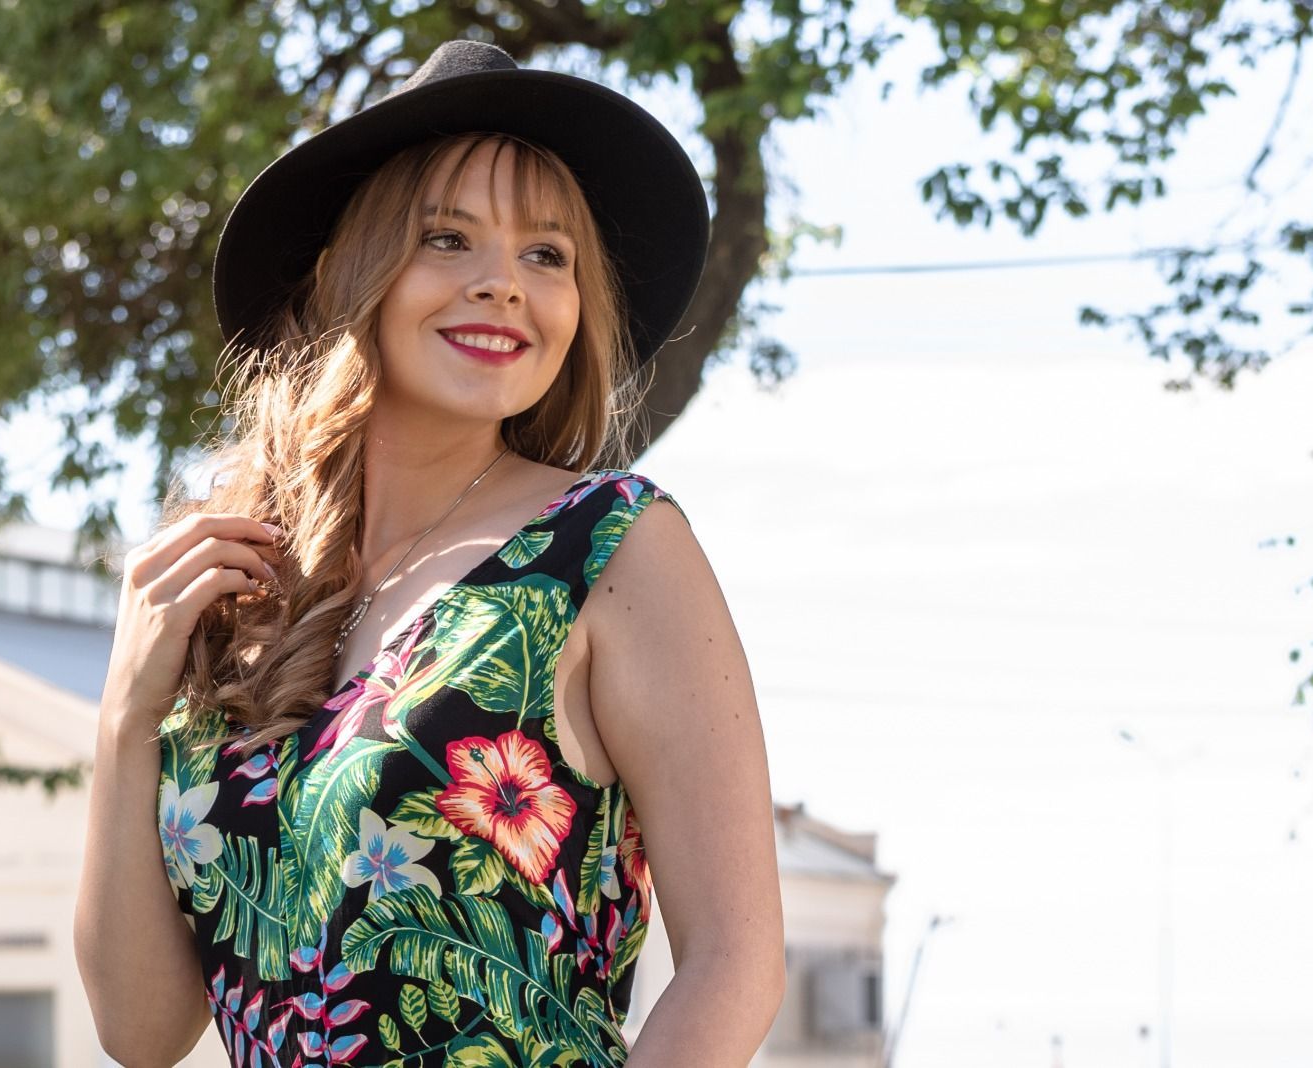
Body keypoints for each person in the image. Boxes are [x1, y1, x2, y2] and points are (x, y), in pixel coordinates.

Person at [74, 39, 784, 1067]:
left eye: (547, 255)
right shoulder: (232, 589)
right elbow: (141, 1034)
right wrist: (126, 714)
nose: (503, 284)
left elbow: (736, 965)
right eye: (447, 238)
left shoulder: (611, 548)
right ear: (338, 275)